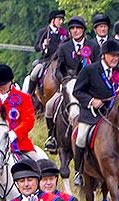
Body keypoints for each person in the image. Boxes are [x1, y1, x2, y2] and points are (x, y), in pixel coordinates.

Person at [72, 39, 119, 186]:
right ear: (103, 56)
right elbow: (78, 91)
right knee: (81, 137)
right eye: (111, 55)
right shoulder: (90, 70)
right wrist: (91, 101)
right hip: (91, 114)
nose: (115, 58)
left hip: (113, 115)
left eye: (117, 56)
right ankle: (79, 171)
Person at [47, 17, 99, 150]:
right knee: (49, 105)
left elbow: (98, 67)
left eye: (78, 28)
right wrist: (64, 80)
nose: (75, 31)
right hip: (68, 83)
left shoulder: (93, 46)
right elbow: (58, 69)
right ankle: (51, 136)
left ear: (83, 30)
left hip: (87, 87)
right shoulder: (64, 47)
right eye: (72, 29)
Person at [0, 64, 36, 159]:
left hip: (20, 146)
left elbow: (29, 121)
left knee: (38, 167)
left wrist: (15, 133)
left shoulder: (24, 98)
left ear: (10, 81)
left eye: (2, 85)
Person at [25, 9, 67, 96]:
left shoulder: (64, 33)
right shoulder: (43, 32)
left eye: (62, 19)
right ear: (53, 20)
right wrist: (44, 45)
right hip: (46, 60)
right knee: (34, 74)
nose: (61, 22)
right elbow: (36, 47)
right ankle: (30, 95)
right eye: (59, 19)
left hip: (61, 60)